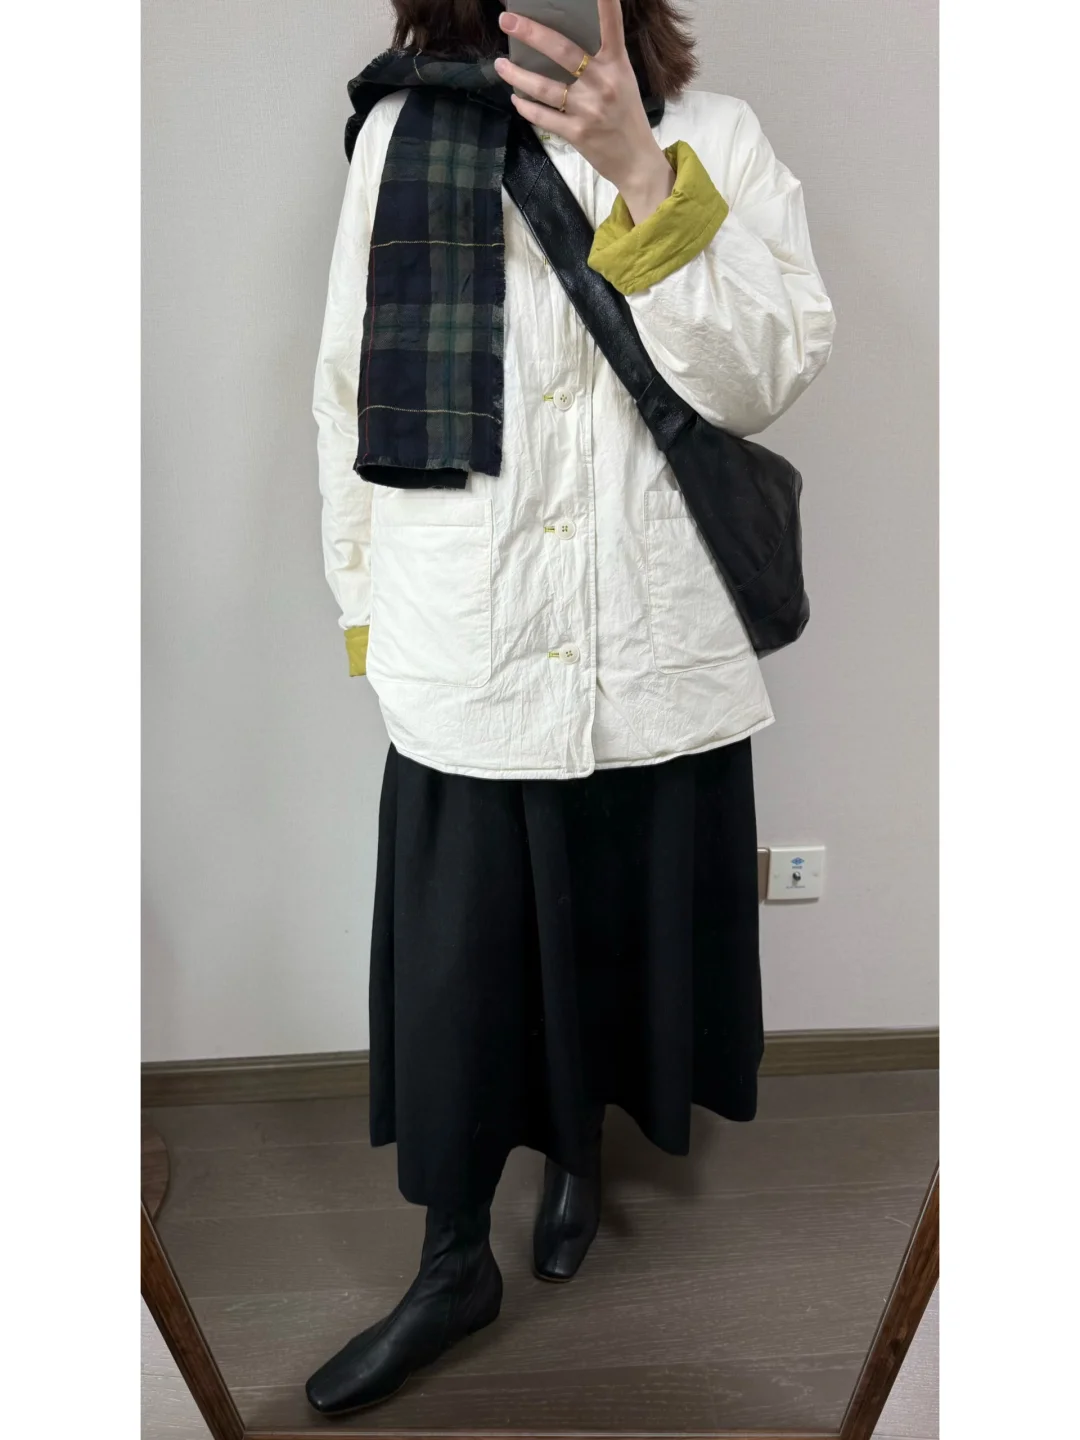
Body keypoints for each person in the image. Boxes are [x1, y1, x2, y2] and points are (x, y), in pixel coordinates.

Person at [306, 0, 836, 1415]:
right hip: (468, 631)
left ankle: (582, 1162)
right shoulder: (404, 134)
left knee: (616, 934)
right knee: (462, 968)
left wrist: (643, 174)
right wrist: (368, 612)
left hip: (649, 629)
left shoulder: (714, 139)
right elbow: (347, 390)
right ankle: (449, 1265)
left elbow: (762, 378)